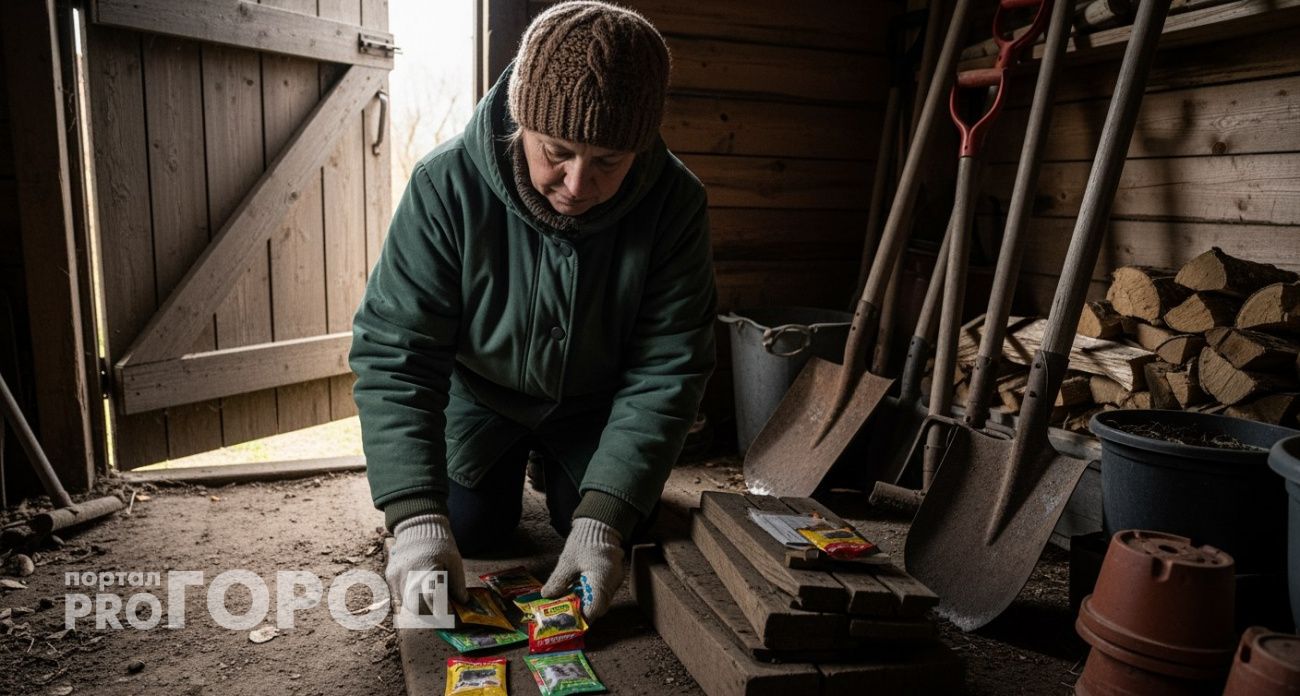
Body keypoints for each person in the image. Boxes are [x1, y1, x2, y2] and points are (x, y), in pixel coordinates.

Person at [349, 0, 717, 623]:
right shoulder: (444, 186)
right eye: (557, 151)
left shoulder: (676, 204)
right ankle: (499, 473)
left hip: (594, 402)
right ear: (521, 122)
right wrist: (413, 518)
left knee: (623, 522)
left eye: (608, 162)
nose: (577, 184)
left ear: (642, 145)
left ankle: (565, 473)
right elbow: (397, 354)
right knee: (469, 528)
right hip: (482, 397)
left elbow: (669, 369)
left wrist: (605, 521)